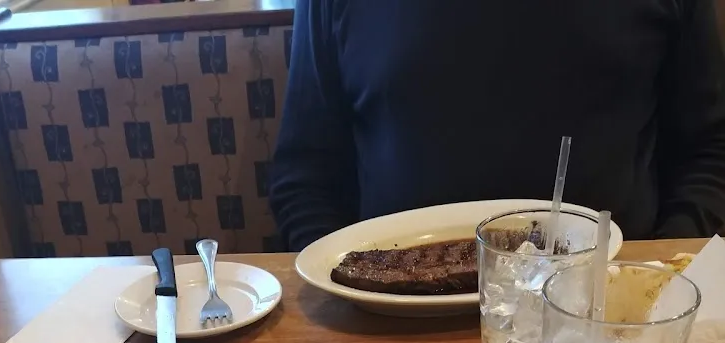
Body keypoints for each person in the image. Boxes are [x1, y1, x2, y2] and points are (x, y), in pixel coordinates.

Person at [270, 0, 725, 252]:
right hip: (384, 321)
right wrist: (343, 282)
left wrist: (661, 277)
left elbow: (711, 149)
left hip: (612, 323)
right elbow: (305, 175)